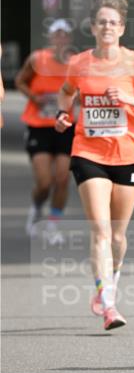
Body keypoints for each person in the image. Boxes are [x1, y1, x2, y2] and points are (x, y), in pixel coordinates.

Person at [55, 0, 134, 330]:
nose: (107, 27)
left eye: (113, 22)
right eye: (101, 21)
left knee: (118, 234)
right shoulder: (80, 63)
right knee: (101, 230)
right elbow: (65, 92)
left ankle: (111, 280)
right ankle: (108, 303)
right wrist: (64, 114)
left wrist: (129, 98)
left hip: (130, 154)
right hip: (89, 153)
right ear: (93, 27)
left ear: (121, 28)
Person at [15, 19, 76, 243]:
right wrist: (34, 97)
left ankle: (52, 225)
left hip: (66, 125)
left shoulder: (75, 63)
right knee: (44, 182)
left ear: (69, 38)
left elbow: (82, 89)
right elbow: (21, 81)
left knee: (62, 179)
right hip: (39, 125)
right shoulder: (38, 59)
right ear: (50, 37)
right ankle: (36, 207)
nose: (60, 38)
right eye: (56, 34)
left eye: (64, 35)